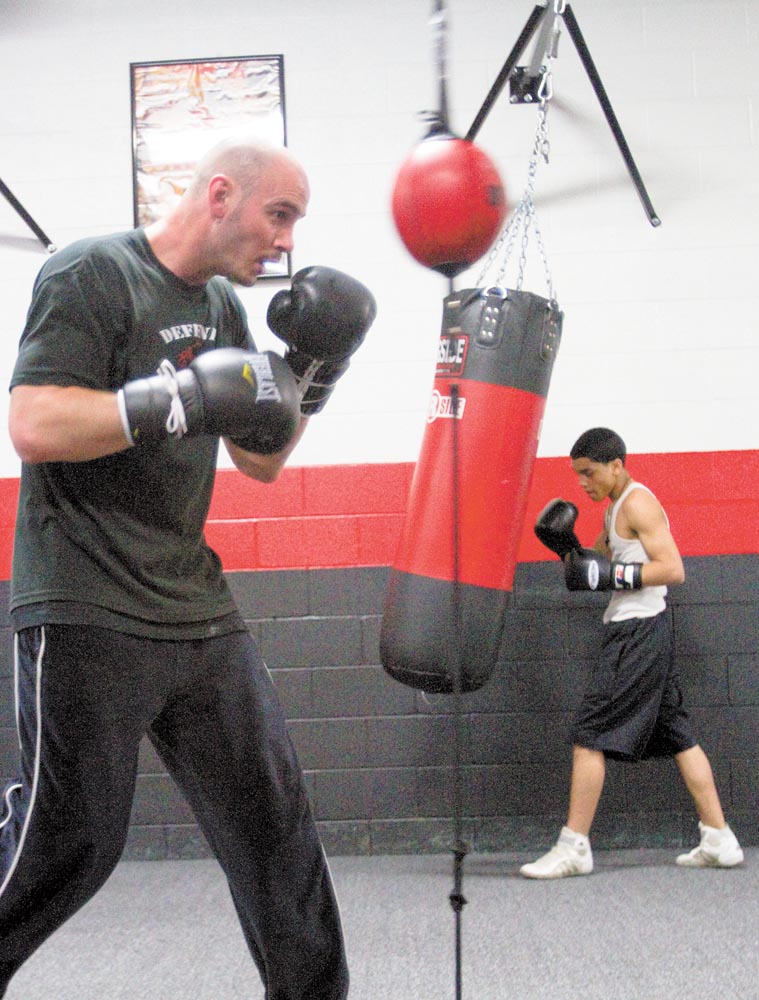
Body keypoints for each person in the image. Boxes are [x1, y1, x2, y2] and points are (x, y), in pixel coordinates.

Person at [0, 134, 376, 997]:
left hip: (195, 607)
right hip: (87, 596)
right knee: (71, 844)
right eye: (278, 215)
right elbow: (34, 423)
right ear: (220, 194)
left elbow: (263, 459)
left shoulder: (223, 309)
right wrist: (178, 396)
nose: (286, 241)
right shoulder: (91, 273)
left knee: (274, 828)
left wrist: (315, 369)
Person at [521, 426, 743, 879]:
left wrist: (608, 577)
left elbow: (672, 569)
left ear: (616, 465)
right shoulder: (614, 510)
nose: (583, 483)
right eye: (577, 475)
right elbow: (597, 567)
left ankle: (574, 847)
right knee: (678, 733)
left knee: (589, 733)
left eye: (589, 473)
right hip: (643, 630)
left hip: (637, 632)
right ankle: (719, 837)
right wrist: (567, 551)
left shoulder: (638, 502)